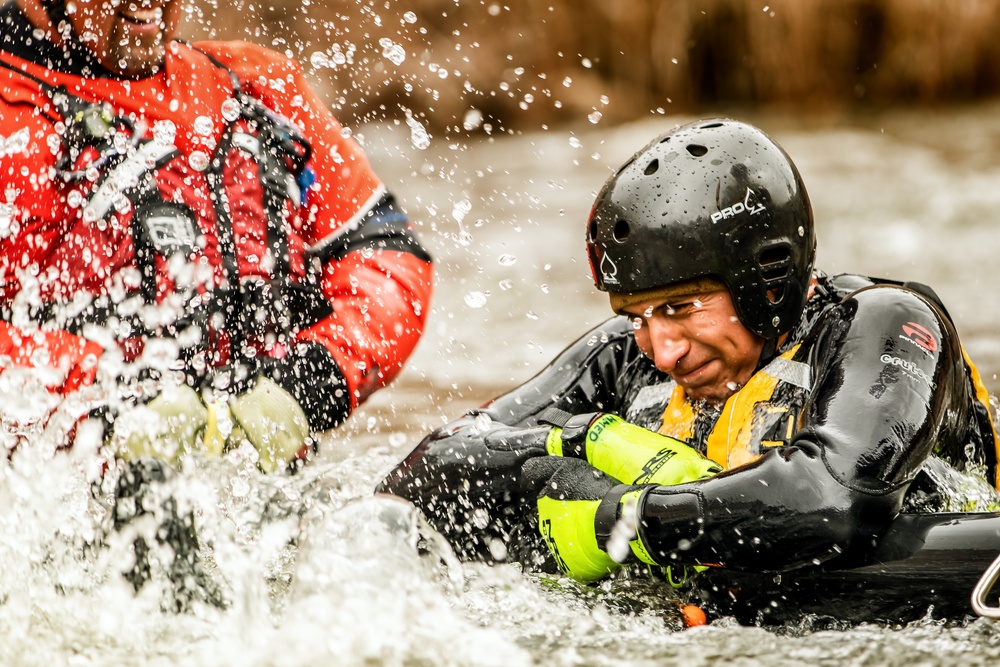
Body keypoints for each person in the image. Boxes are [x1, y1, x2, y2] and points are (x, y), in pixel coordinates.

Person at [379, 118, 999, 587]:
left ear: (767, 283)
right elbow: (427, 471)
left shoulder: (887, 325)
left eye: (681, 308)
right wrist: (580, 447)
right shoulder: (629, 355)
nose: (663, 349)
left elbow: (834, 503)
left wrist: (620, 523)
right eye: (636, 316)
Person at [0, 0, 433, 472]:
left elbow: (387, 255)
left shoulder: (255, 89)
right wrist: (107, 400)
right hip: (62, 499)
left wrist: (312, 378)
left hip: (263, 502)